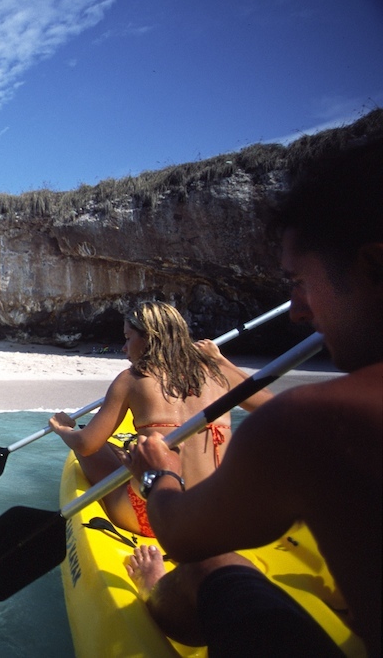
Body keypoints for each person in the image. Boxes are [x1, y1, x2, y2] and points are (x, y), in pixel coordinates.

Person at [123, 138, 382, 656]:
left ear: (374, 265)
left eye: (300, 281)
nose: (296, 312)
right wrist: (221, 365)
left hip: (185, 520)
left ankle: (152, 588)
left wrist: (159, 473)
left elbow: (183, 537)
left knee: (205, 569)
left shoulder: (316, 422)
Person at [49, 300, 270, 537]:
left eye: (128, 337)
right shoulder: (219, 372)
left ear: (147, 338)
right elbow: (271, 406)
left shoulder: (132, 379)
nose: (124, 348)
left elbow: (87, 444)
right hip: (219, 514)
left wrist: (64, 429)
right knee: (117, 451)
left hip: (155, 515)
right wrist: (221, 361)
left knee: (91, 448)